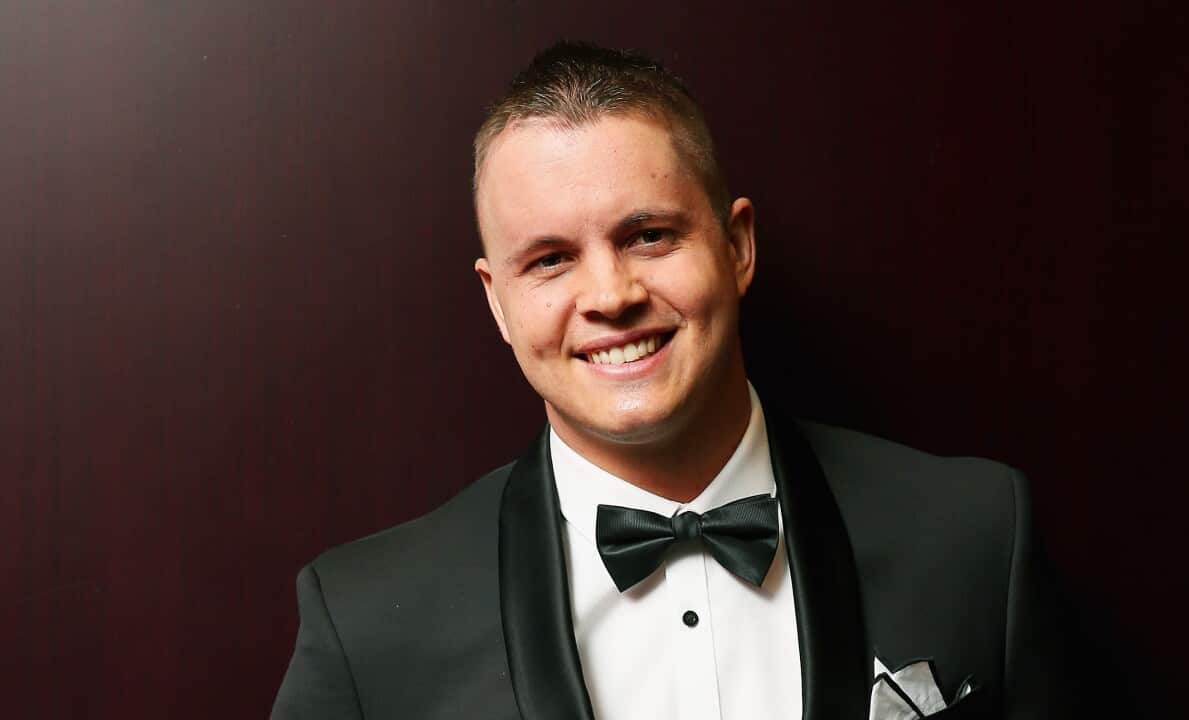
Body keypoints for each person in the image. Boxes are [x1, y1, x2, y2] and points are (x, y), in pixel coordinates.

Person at [271, 42, 1072, 720]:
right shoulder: (364, 626)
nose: (610, 295)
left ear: (738, 247)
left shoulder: (974, 537)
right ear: (498, 302)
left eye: (649, 235)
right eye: (550, 259)